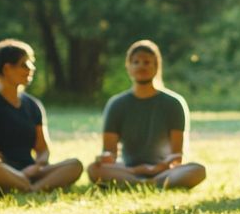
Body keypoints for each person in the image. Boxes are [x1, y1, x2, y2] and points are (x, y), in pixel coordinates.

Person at [87, 39, 206, 189]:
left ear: (157, 67)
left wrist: (157, 169)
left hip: (163, 170)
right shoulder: (116, 104)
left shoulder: (174, 103)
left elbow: (177, 155)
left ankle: (145, 183)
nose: (141, 66)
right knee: (93, 169)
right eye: (136, 62)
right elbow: (109, 152)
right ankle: (146, 184)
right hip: (128, 169)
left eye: (147, 62)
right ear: (128, 67)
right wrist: (106, 159)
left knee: (197, 170)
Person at [0, 39, 83, 193]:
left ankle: (31, 188)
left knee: (75, 165)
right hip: (1, 171)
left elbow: (43, 149)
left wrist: (37, 166)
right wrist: (18, 173)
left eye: (31, 64)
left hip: (31, 172)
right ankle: (31, 185)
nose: (31, 69)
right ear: (7, 69)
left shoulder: (33, 105)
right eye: (24, 64)